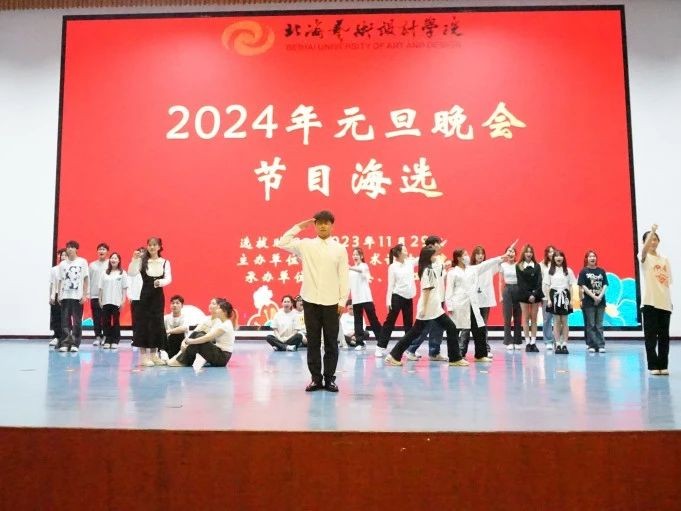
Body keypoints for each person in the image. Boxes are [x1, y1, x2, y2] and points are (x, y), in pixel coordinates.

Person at [277, 211, 349, 392]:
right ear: (315, 225)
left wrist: (342, 301)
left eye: (327, 223)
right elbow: (282, 242)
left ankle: (330, 379)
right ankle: (316, 379)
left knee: (331, 343)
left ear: (332, 226)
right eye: (319, 223)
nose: (323, 226)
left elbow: (343, 276)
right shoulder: (306, 245)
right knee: (314, 342)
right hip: (310, 300)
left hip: (332, 302)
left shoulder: (339, 249)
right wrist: (301, 226)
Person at [385, 246, 468, 367]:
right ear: (429, 256)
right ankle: (455, 358)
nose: (436, 257)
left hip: (433, 307)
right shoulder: (427, 270)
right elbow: (426, 291)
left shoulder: (427, 269)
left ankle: (394, 355)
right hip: (430, 308)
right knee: (449, 327)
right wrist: (423, 309)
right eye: (434, 255)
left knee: (415, 332)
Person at [447, 245, 512, 361]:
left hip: (472, 304)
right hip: (459, 305)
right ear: (459, 258)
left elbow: (487, 264)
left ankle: (480, 355)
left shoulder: (472, 269)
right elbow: (449, 290)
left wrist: (501, 257)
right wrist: (449, 306)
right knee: (457, 331)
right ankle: (455, 356)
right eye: (465, 255)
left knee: (480, 329)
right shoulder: (453, 272)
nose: (467, 256)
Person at [127, 237, 172, 367]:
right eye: (150, 245)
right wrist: (134, 259)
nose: (152, 247)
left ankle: (154, 355)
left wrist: (161, 282)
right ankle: (143, 357)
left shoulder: (165, 262)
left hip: (157, 297)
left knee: (157, 324)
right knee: (142, 325)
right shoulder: (142, 261)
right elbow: (131, 273)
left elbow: (168, 278)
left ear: (159, 247)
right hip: (142, 296)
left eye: (155, 245)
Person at [404, 236, 448, 362]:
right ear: (432, 245)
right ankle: (411, 349)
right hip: (432, 298)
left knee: (438, 327)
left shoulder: (439, 259)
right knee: (425, 327)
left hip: (440, 296)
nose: (440, 246)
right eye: (438, 243)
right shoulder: (428, 260)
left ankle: (434, 352)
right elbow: (428, 284)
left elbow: (441, 276)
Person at [640, 224, 672, 376]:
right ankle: (653, 365)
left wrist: (669, 300)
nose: (653, 241)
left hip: (664, 303)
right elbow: (643, 251)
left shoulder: (664, 259)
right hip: (650, 303)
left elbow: (667, 282)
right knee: (651, 337)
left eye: (655, 239)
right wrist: (652, 230)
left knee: (664, 337)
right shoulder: (645, 257)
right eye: (650, 239)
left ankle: (663, 365)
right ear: (645, 242)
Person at [168, 299, 237, 368]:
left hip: (222, 358)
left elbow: (208, 337)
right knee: (198, 334)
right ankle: (182, 359)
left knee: (199, 338)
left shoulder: (225, 325)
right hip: (220, 354)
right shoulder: (224, 323)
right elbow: (199, 333)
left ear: (224, 312)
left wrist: (191, 341)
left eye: (219, 308)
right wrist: (187, 341)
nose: (217, 310)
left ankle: (183, 361)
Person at [375, 243, 416, 357]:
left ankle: (408, 349)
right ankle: (380, 347)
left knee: (408, 324)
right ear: (399, 253)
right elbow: (390, 285)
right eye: (405, 250)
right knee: (390, 323)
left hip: (408, 297)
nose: (407, 252)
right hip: (397, 296)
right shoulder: (392, 267)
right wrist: (388, 301)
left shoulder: (409, 262)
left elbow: (421, 258)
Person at [56, 240, 89, 352]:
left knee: (77, 322)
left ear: (76, 249)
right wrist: (59, 295)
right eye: (68, 247)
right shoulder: (62, 264)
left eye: (72, 247)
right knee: (65, 322)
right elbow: (60, 280)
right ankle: (65, 343)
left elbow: (85, 279)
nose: (69, 249)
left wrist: (84, 294)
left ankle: (75, 343)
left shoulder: (82, 262)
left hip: (77, 296)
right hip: (65, 296)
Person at [348, 247, 383, 350]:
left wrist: (350, 268)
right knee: (357, 321)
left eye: (357, 254)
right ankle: (359, 342)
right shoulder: (350, 271)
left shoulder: (364, 266)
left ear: (361, 256)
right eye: (354, 254)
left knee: (373, 319)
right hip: (356, 299)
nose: (355, 256)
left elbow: (361, 271)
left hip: (366, 298)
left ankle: (381, 340)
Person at [543, 249, 576, 354]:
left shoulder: (568, 271)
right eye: (556, 256)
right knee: (556, 321)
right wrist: (549, 299)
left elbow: (571, 286)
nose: (559, 258)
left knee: (565, 321)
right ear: (553, 258)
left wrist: (571, 300)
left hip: (565, 296)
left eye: (561, 256)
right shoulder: (549, 271)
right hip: (554, 296)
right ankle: (557, 344)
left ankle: (564, 344)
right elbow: (547, 286)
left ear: (563, 258)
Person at [578, 250, 609, 354]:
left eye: (594, 256)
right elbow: (583, 286)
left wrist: (599, 297)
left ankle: (601, 345)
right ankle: (592, 345)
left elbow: (605, 284)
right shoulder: (583, 271)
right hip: (588, 302)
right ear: (586, 259)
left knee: (599, 325)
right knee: (591, 324)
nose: (592, 258)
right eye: (590, 256)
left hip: (601, 302)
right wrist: (594, 297)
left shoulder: (601, 271)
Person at [516, 244, 544, 352]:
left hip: (535, 295)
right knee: (525, 318)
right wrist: (528, 295)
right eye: (527, 252)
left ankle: (533, 342)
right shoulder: (519, 266)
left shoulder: (537, 266)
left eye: (530, 252)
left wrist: (534, 294)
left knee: (534, 318)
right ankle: (527, 342)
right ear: (523, 253)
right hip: (523, 294)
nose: (529, 254)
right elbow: (521, 283)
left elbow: (539, 281)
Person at [470, 246, 496, 358]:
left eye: (482, 253)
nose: (480, 256)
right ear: (474, 255)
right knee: (469, 327)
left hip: (485, 301)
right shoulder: (470, 268)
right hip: (473, 301)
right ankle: (462, 350)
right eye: (478, 253)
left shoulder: (489, 267)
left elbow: (499, 264)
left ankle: (486, 348)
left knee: (484, 325)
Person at [98, 252, 127, 349]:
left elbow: (124, 288)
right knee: (106, 321)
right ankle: (107, 339)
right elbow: (101, 288)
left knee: (115, 321)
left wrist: (123, 301)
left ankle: (115, 340)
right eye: (112, 258)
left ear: (119, 261)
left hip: (116, 301)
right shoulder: (104, 273)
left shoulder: (122, 273)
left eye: (115, 258)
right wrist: (100, 299)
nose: (113, 260)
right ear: (109, 260)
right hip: (106, 301)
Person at [499, 245, 522, 351]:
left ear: (515, 254)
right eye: (509, 251)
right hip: (507, 289)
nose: (511, 253)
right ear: (506, 254)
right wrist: (500, 295)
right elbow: (500, 281)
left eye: (513, 251)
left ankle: (517, 341)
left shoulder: (519, 265)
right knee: (507, 317)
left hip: (518, 289)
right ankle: (508, 341)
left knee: (518, 316)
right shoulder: (502, 265)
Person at [89, 243, 110, 346]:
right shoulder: (92, 265)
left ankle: (106, 336)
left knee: (106, 318)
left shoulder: (110, 264)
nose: (101, 251)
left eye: (104, 249)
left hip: (107, 296)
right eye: (100, 249)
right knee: (96, 318)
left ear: (107, 252)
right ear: (97, 251)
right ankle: (97, 337)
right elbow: (88, 280)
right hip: (95, 295)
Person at [49, 248, 67, 346]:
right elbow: (52, 284)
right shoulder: (54, 269)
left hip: (66, 294)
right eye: (61, 255)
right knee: (56, 316)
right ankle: (56, 336)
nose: (63, 257)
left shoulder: (69, 268)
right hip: (56, 294)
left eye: (65, 255)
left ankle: (65, 337)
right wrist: (51, 296)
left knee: (65, 317)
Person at [126, 247, 144, 345]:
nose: (141, 254)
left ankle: (145, 338)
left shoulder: (148, 265)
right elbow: (129, 281)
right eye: (139, 252)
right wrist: (129, 295)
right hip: (135, 297)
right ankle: (136, 338)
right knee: (136, 318)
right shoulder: (132, 264)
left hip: (146, 297)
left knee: (146, 318)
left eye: (143, 252)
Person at [539, 245, 556, 350]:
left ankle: (558, 340)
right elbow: (539, 281)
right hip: (545, 296)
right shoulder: (541, 265)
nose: (551, 254)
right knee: (547, 319)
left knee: (558, 319)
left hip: (558, 295)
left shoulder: (559, 264)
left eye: (553, 252)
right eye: (549, 252)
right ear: (546, 254)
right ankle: (548, 340)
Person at [164, 295, 189, 359]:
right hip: (169, 344)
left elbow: (183, 328)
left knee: (177, 334)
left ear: (182, 306)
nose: (174, 305)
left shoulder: (185, 317)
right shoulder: (166, 318)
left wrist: (168, 331)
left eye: (177, 303)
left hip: (182, 344)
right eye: (173, 303)